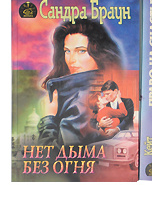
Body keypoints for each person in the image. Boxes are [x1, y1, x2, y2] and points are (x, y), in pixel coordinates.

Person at [38, 18, 122, 146]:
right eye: (67, 51)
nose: (71, 60)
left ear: (99, 53)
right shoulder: (81, 92)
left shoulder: (79, 100)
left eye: (81, 51)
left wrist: (48, 119)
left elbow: (54, 155)